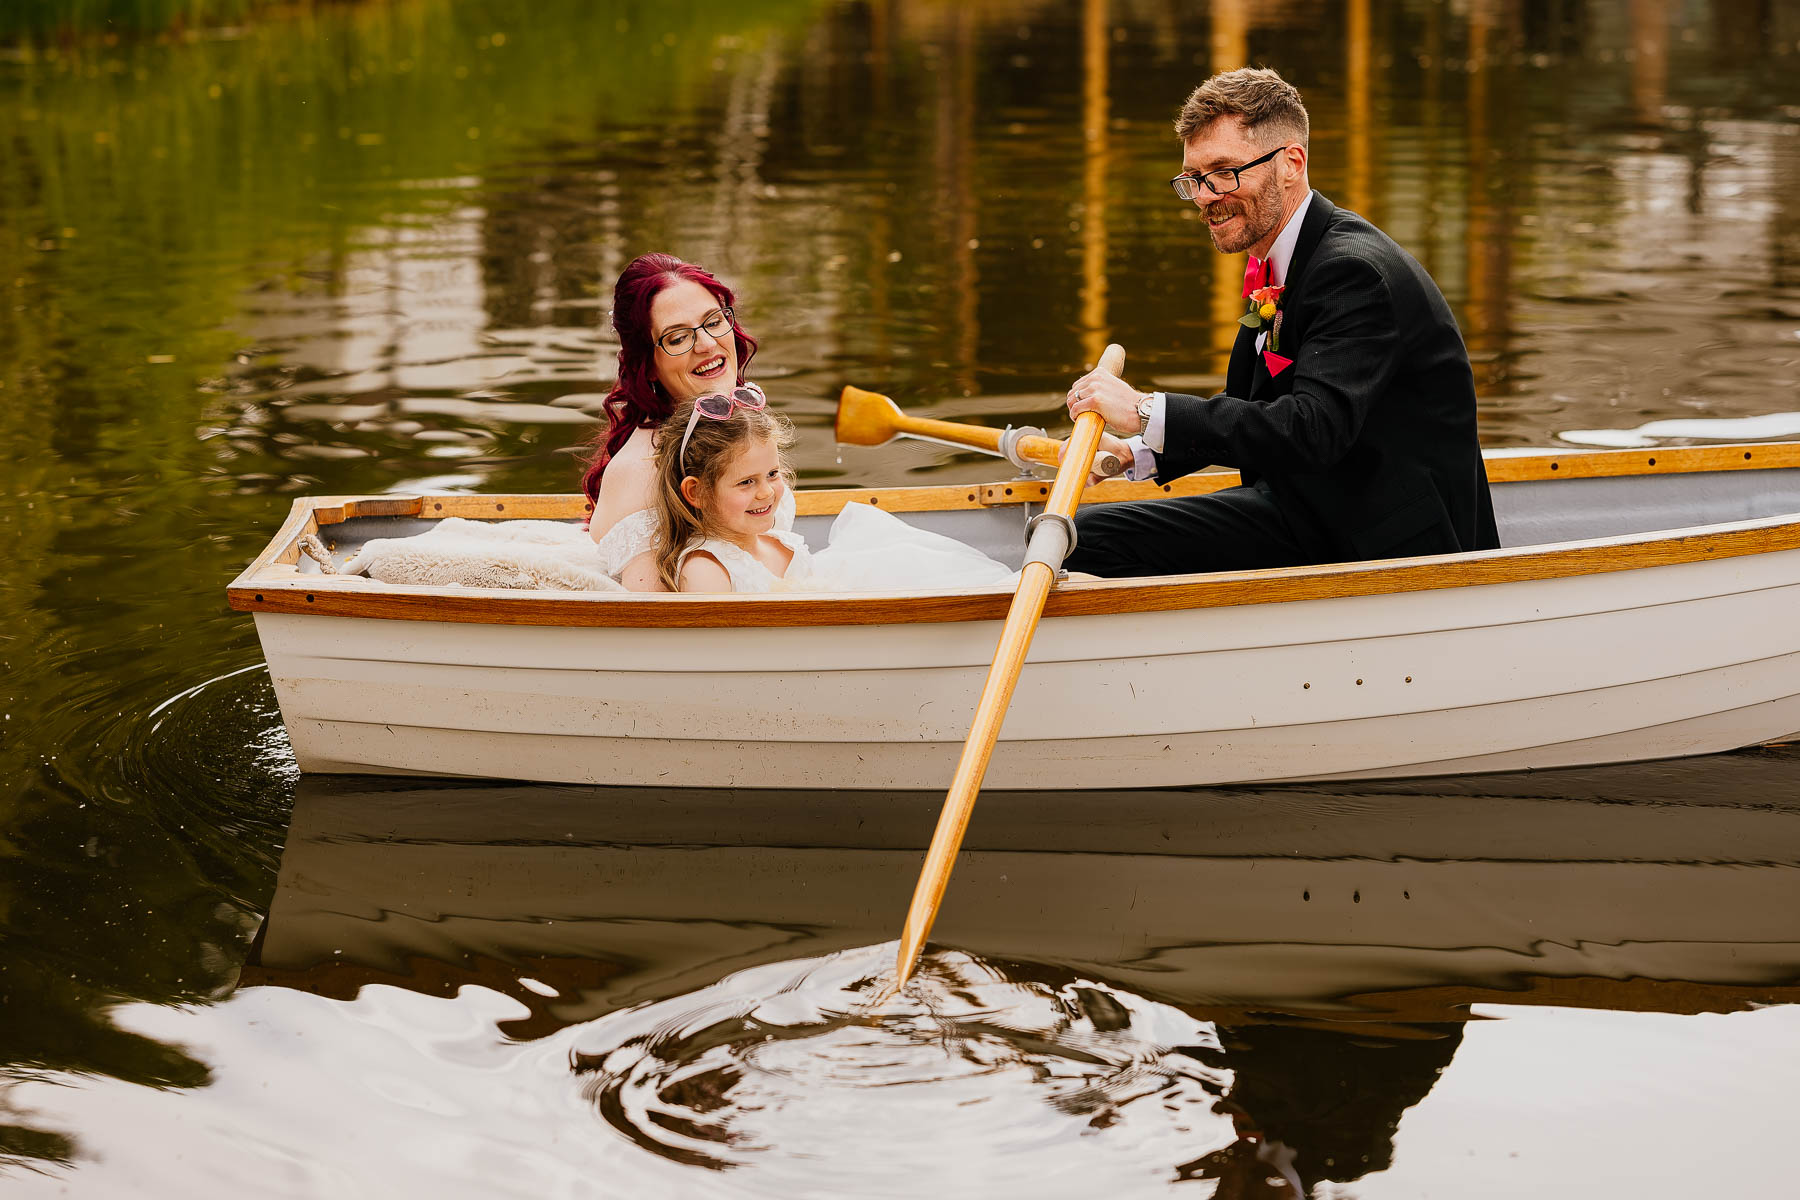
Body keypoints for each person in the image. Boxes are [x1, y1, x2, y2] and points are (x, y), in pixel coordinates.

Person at [1064, 67, 1499, 576]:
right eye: (1194, 179)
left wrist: (1143, 408)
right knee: (1082, 533)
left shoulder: (1351, 272)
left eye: (1225, 172)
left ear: (1292, 162)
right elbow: (1255, 409)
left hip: (1389, 539)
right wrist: (1135, 454)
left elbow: (1311, 430)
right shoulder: (1283, 258)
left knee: (1083, 543)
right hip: (1319, 507)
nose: (1205, 196)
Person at [651, 390, 1016, 594]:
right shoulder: (706, 569)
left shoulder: (781, 542)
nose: (765, 493)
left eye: (773, 474)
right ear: (696, 493)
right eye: (746, 482)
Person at [579, 252, 762, 591]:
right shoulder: (643, 472)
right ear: (646, 364)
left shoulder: (731, 419)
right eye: (678, 338)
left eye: (714, 321)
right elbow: (652, 620)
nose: (708, 344)